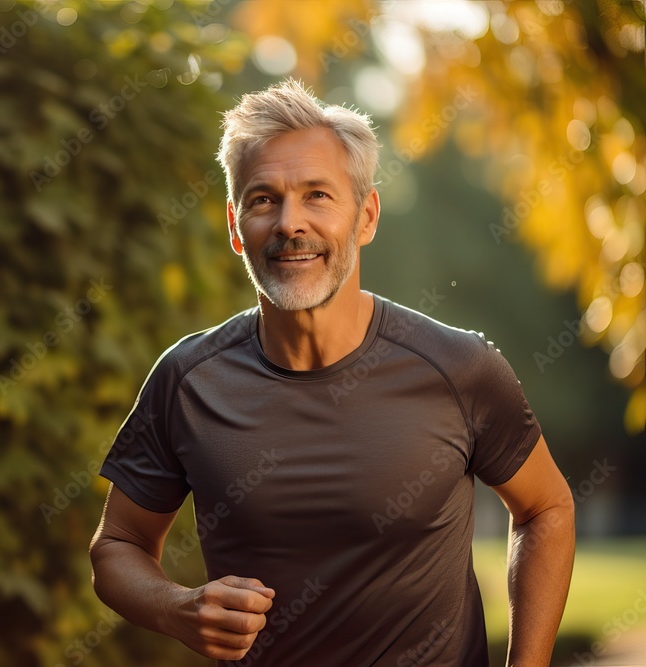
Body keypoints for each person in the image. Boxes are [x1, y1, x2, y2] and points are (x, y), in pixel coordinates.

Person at [88, 79, 575, 666]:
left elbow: (546, 509)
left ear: (365, 215)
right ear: (235, 225)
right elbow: (118, 544)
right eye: (264, 199)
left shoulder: (457, 368)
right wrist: (174, 607)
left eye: (318, 195)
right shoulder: (188, 380)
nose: (291, 223)